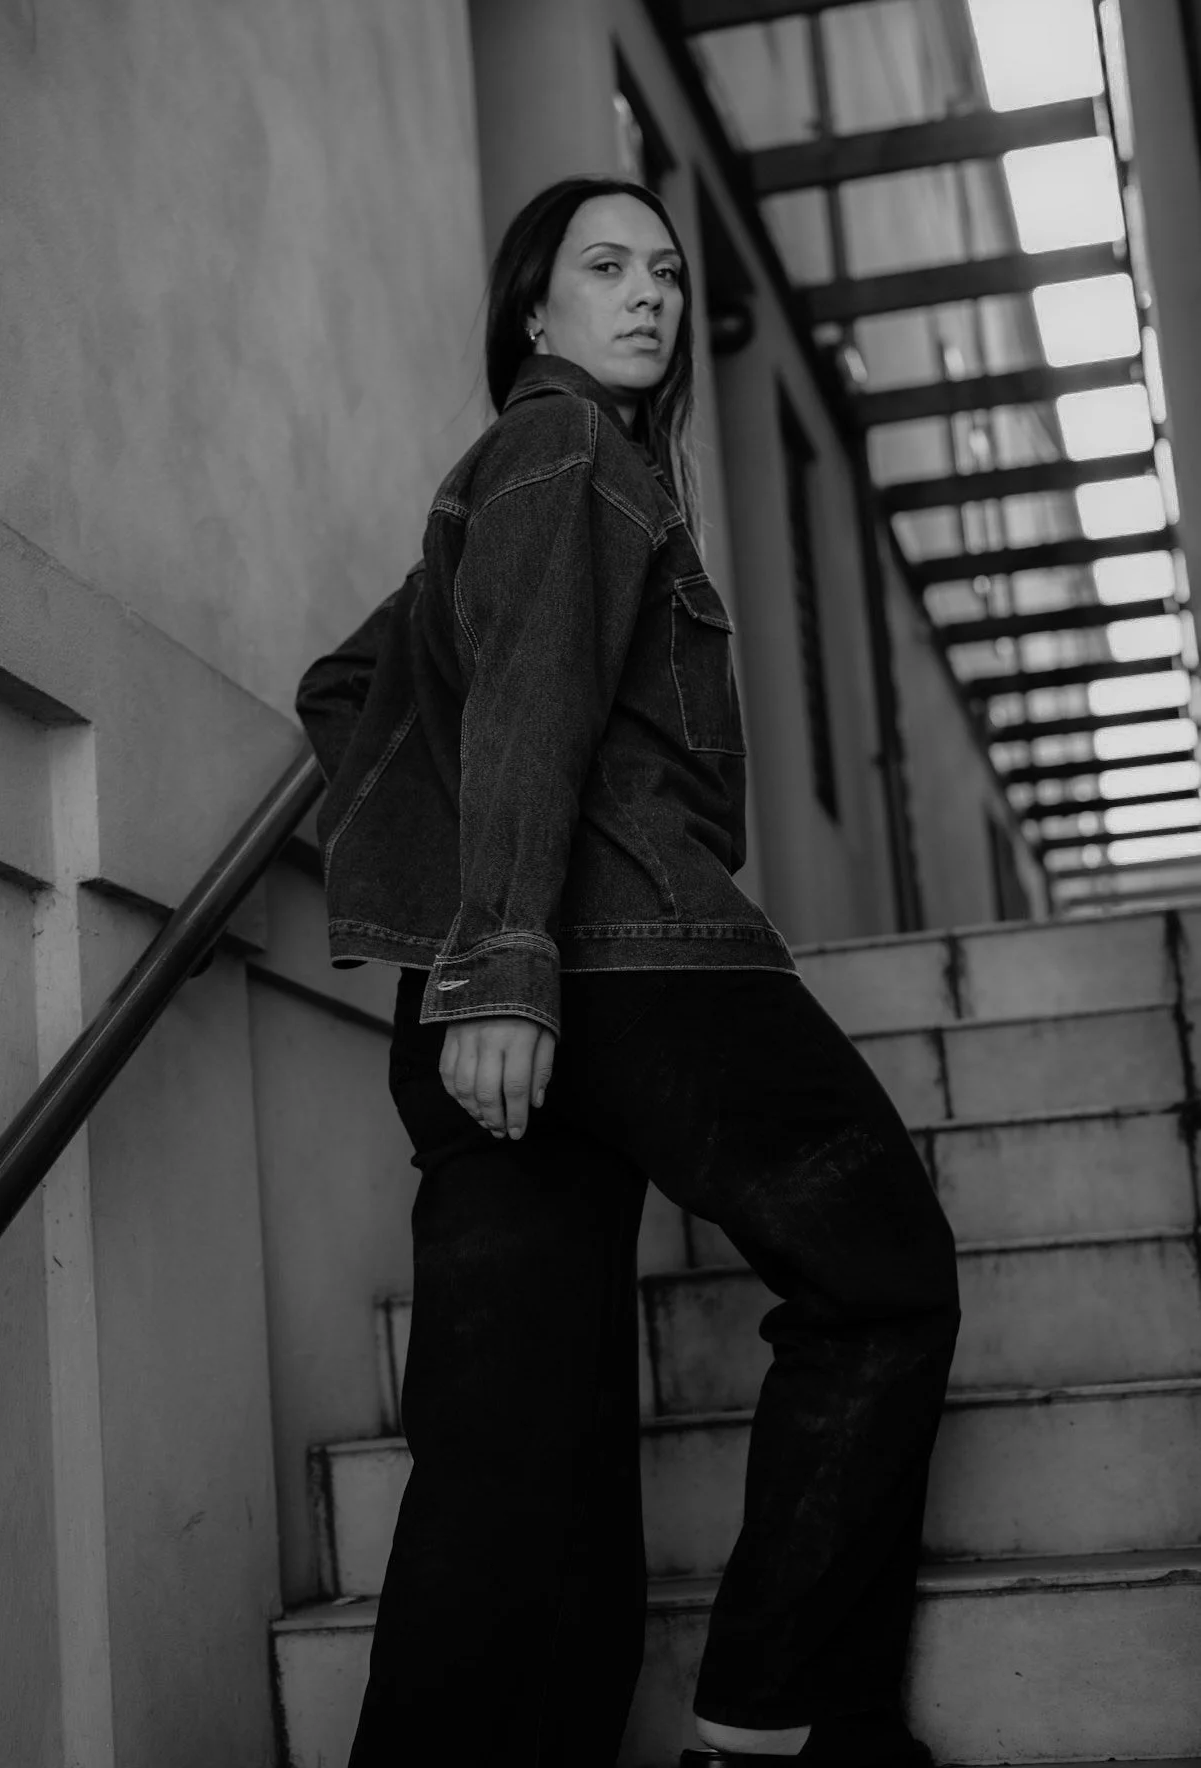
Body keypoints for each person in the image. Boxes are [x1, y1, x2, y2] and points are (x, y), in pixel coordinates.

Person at [294, 177, 960, 1768]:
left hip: (499, 991)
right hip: (625, 963)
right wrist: (509, 956)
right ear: (536, 312)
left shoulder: (518, 476)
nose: (648, 294)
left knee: (515, 1445)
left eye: (665, 271)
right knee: (884, 1278)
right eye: (606, 268)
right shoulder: (567, 450)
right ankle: (775, 1721)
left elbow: (348, 690)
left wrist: (456, 934)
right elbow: (524, 701)